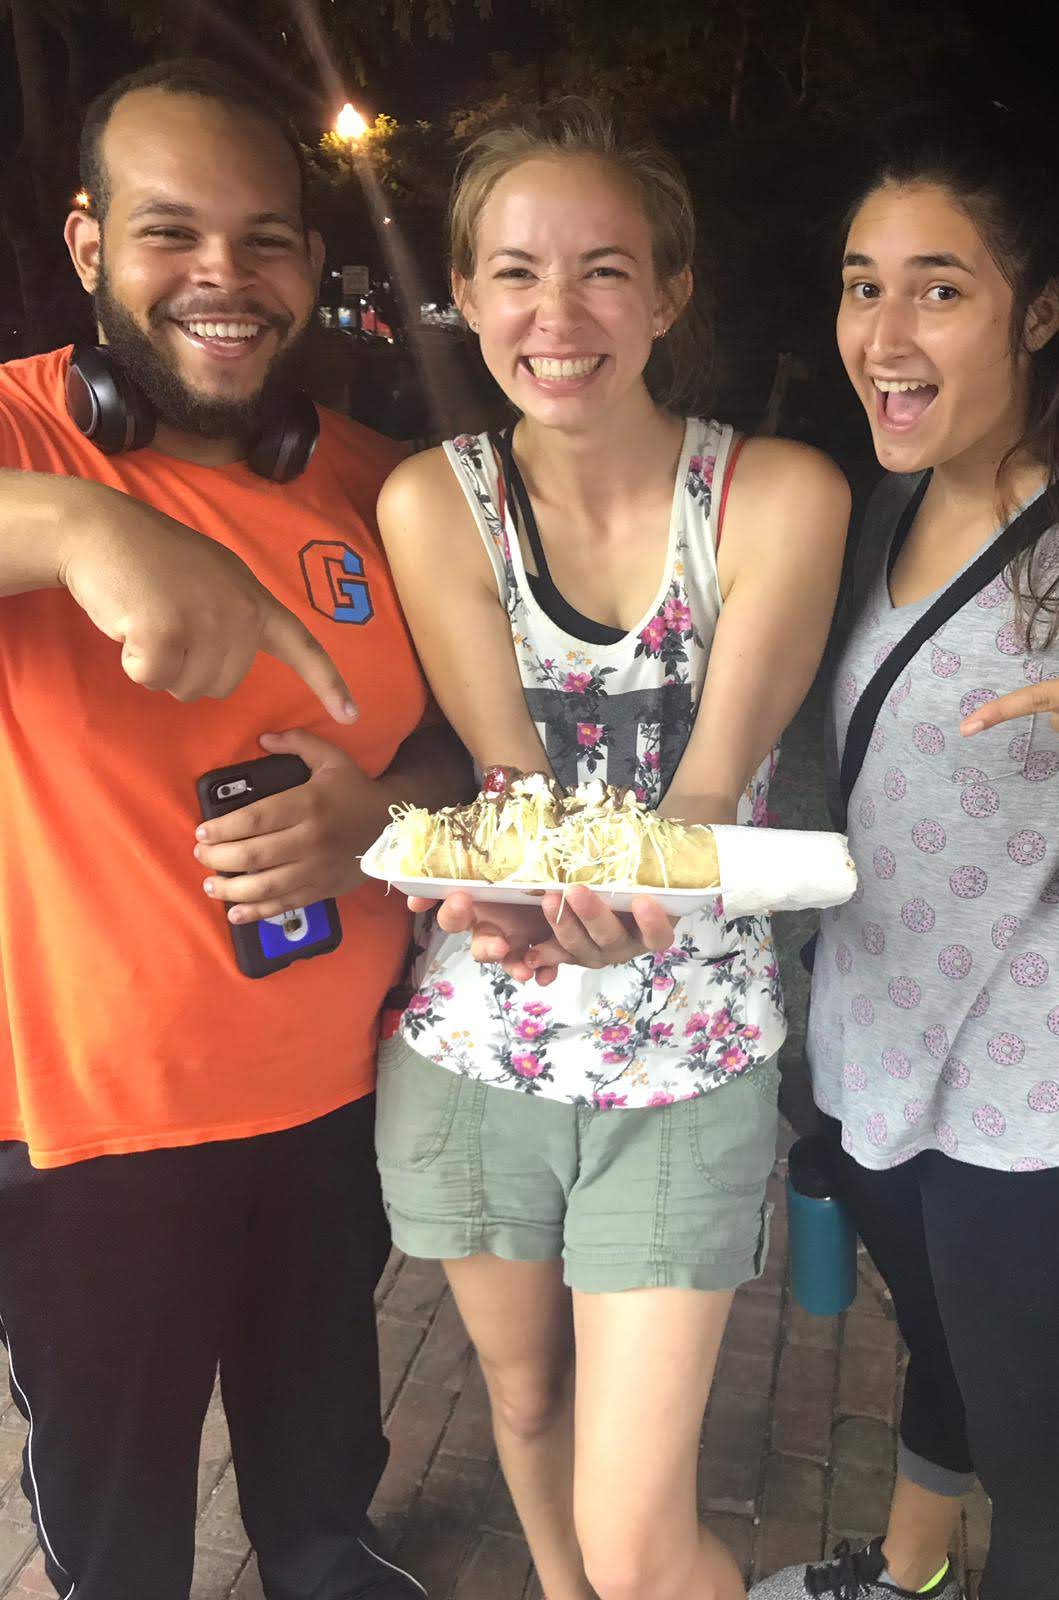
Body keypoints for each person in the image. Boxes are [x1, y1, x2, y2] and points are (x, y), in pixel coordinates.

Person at [0, 58, 471, 1600]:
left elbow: (473, 761)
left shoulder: (383, 490)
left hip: (345, 1094)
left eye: (267, 238)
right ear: (86, 247)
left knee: (326, 1454)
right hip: (93, 1126)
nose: (224, 274)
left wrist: (382, 819)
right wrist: (82, 523)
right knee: (119, 1512)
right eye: (168, 231)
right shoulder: (26, 449)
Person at [374, 103, 850, 1600]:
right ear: (463, 292)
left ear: (670, 289)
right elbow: (511, 788)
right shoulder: (432, 499)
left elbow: (704, 806)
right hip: (476, 1050)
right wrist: (516, 898)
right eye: (514, 272)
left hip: (683, 1060)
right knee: (521, 1400)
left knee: (641, 1545)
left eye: (602, 270)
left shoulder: (777, 496)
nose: (556, 315)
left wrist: (600, 892)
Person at [752, 104, 1059, 1600]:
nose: (884, 328)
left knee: (1043, 1471)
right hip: (879, 1070)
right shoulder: (881, 504)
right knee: (935, 1362)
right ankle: (905, 1576)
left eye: (939, 286)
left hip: (1037, 1125)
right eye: (862, 281)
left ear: (1042, 310)